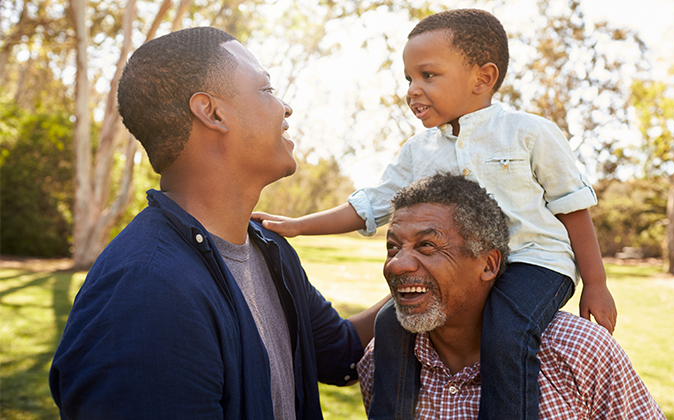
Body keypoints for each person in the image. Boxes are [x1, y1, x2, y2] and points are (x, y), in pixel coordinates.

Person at [251, 9, 617, 419]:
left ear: (483, 78)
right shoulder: (419, 151)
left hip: (532, 265)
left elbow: (574, 211)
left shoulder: (529, 133)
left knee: (506, 332)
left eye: (428, 75)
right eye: (409, 79)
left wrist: (597, 285)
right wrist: (300, 226)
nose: (413, 90)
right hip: (458, 274)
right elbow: (371, 205)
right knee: (390, 326)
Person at [49, 26, 386, 420]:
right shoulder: (146, 291)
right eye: (266, 90)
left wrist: (427, 281)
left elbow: (341, 354)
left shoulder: (269, 248)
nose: (286, 108)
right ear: (212, 112)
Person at [357, 172, 665, 420]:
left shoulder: (581, 352)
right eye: (392, 247)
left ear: (488, 264)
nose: (396, 264)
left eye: (427, 246)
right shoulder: (381, 362)